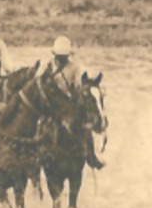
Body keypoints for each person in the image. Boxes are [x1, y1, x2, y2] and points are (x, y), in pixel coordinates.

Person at [39, 36, 104, 169]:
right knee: (38, 124)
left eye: (65, 56)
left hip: (68, 103)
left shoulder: (74, 66)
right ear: (55, 55)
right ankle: (35, 157)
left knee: (84, 127)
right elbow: (38, 80)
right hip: (50, 103)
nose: (63, 58)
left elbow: (81, 77)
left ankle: (91, 155)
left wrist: (88, 81)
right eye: (60, 56)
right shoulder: (47, 65)